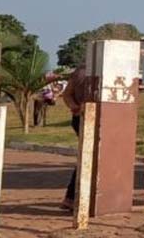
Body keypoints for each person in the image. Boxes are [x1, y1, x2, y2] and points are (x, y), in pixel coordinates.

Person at [61, 66, 88, 211]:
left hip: (79, 117)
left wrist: (75, 107)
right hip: (87, 117)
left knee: (86, 157)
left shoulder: (79, 71)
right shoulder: (84, 71)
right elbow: (67, 94)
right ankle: (74, 198)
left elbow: (67, 95)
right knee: (88, 158)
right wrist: (77, 108)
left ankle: (71, 198)